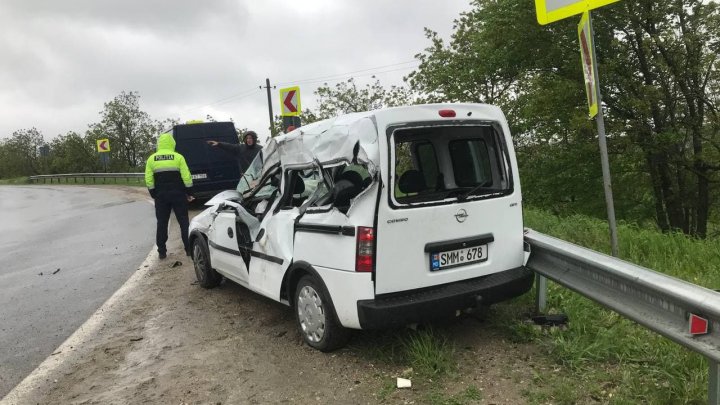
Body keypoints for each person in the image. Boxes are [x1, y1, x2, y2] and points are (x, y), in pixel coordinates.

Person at [145, 132, 195, 259]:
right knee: (183, 222)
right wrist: (189, 192)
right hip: (178, 194)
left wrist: (153, 193)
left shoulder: (152, 159)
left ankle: (162, 251)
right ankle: (189, 249)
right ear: (172, 143)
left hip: (161, 196)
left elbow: (149, 179)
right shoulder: (178, 157)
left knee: (162, 223)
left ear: (159, 144)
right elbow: (186, 176)